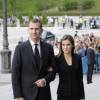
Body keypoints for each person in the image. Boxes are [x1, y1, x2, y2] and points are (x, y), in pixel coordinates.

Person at [12, 19, 55, 100]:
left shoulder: (48, 48)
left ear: (41, 30)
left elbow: (53, 71)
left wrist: (45, 80)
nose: (34, 32)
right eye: (31, 29)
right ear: (28, 30)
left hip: (44, 95)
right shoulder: (20, 48)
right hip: (26, 95)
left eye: (37, 29)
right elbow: (15, 74)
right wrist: (19, 96)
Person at [55, 35, 85, 100]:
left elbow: (80, 79)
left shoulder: (77, 58)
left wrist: (82, 96)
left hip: (76, 94)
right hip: (62, 94)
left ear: (72, 45)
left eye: (68, 44)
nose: (65, 47)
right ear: (61, 46)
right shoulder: (57, 59)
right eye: (63, 45)